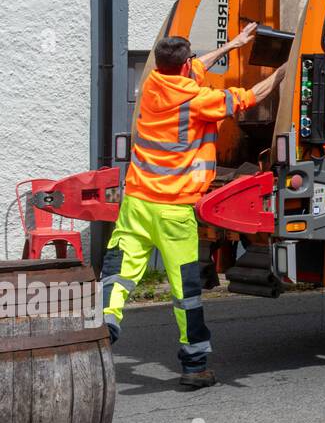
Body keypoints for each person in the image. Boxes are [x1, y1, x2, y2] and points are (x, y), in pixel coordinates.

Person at [101, 23, 286, 389]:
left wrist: (232, 45)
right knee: (185, 293)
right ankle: (194, 366)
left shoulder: (153, 83)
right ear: (185, 67)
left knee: (118, 275)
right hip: (174, 212)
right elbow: (250, 97)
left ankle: (102, 331)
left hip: (137, 204)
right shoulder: (197, 101)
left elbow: (197, 66)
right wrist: (283, 72)